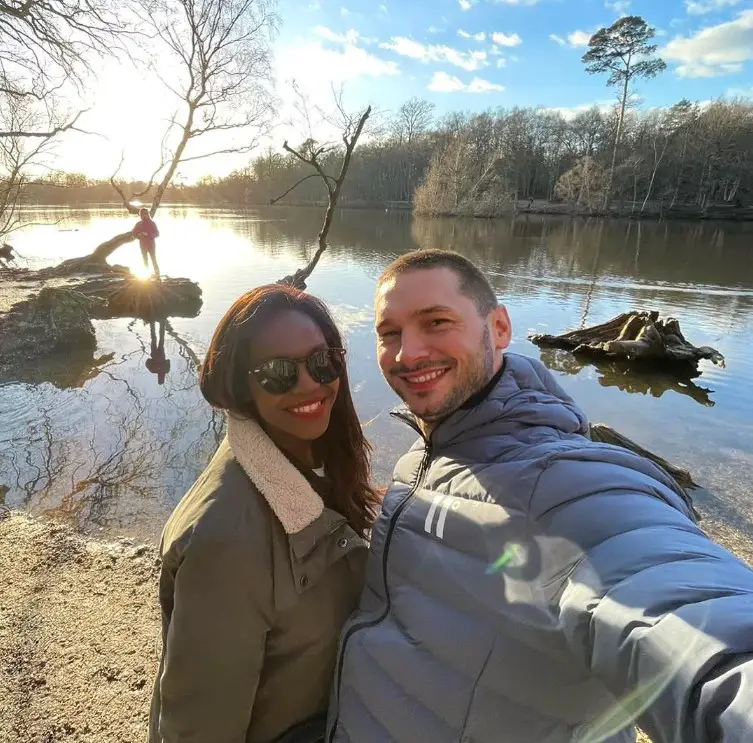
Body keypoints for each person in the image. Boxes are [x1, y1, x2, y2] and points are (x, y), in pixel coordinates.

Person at [327, 249, 753, 743]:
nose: (408, 354)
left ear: (501, 328)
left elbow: (680, 606)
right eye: (390, 334)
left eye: (437, 322)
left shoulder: (564, 484)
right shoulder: (424, 459)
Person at [149, 285, 380, 743]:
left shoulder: (312, 464)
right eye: (277, 373)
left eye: (322, 361)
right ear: (240, 387)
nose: (310, 384)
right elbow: (198, 729)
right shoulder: (226, 542)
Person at [133, 207, 161, 279]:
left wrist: (148, 234)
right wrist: (138, 235)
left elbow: (157, 234)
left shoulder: (152, 223)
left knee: (153, 260)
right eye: (142, 215)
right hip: (142, 245)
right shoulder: (138, 224)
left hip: (151, 245)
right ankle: (147, 276)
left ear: (147, 214)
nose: (143, 216)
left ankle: (157, 275)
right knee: (145, 261)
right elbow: (134, 234)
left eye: (145, 214)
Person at [145, 320, 171, 385]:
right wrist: (153, 361)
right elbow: (147, 362)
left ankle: (162, 323)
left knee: (161, 339)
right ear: (158, 378)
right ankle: (152, 323)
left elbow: (168, 361)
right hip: (154, 354)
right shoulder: (153, 370)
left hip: (161, 355)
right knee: (154, 339)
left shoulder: (166, 370)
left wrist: (163, 363)